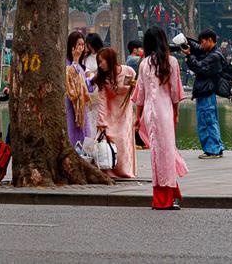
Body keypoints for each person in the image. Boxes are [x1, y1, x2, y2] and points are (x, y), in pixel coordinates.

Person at [133, 26, 188, 209]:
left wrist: (137, 116)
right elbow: (175, 93)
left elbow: (140, 95)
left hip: (149, 112)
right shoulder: (170, 62)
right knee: (166, 152)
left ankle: (163, 195)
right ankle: (167, 197)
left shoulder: (144, 63)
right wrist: (177, 112)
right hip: (164, 112)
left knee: (157, 155)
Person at [94, 46, 137, 178]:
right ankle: (108, 169)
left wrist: (133, 87)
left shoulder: (128, 71)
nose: (100, 65)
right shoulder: (102, 78)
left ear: (110, 60)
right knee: (111, 138)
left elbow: (133, 92)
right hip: (110, 112)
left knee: (124, 140)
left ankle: (125, 171)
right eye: (99, 62)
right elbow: (102, 101)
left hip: (125, 111)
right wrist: (101, 121)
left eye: (102, 61)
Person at [183, 29, 226, 159]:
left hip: (206, 91)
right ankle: (215, 148)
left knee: (208, 120)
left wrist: (190, 55)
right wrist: (186, 41)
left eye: (203, 41)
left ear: (209, 40)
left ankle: (213, 150)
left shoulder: (214, 56)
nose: (201, 44)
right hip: (204, 91)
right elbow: (197, 48)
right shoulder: (210, 52)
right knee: (208, 120)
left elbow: (199, 67)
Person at [65, 30, 95, 152]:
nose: (82, 48)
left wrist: (93, 80)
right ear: (72, 46)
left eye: (83, 45)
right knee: (72, 130)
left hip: (82, 106)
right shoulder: (67, 63)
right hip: (71, 104)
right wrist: (75, 61)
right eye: (79, 45)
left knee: (84, 131)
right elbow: (72, 77)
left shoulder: (82, 65)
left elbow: (86, 86)